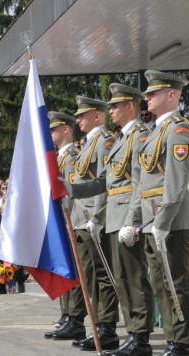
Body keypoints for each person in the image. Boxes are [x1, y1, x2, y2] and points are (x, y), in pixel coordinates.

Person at [66, 84, 154, 354]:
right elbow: (105, 181)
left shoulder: (139, 136)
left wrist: (130, 218)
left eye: (115, 105)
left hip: (126, 214)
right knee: (121, 277)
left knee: (133, 278)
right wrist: (72, 189)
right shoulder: (120, 139)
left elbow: (140, 183)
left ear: (130, 106)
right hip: (115, 215)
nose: (111, 110)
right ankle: (133, 334)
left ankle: (139, 337)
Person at [125, 71, 189, 356]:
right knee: (160, 283)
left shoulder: (179, 129)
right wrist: (134, 220)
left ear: (172, 95)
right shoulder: (155, 131)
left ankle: (181, 349)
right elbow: (142, 182)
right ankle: (172, 343)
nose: (147, 98)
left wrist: (163, 220)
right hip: (152, 219)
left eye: (153, 94)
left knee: (175, 283)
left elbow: (177, 180)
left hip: (171, 219)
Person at [51, 96, 118, 342]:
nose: (78, 119)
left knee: (99, 275)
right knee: (85, 274)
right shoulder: (87, 145)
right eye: (77, 116)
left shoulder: (104, 142)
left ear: (97, 116)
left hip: (89, 218)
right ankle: (86, 321)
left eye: (82, 115)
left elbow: (104, 182)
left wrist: (98, 216)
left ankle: (104, 326)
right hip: (78, 218)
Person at [44, 112, 81, 337]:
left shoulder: (73, 156)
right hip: (61, 220)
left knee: (73, 270)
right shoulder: (58, 157)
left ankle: (75, 319)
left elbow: (75, 193)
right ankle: (67, 314)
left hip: (72, 219)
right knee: (63, 269)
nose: (51, 134)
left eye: (54, 129)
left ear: (66, 129)